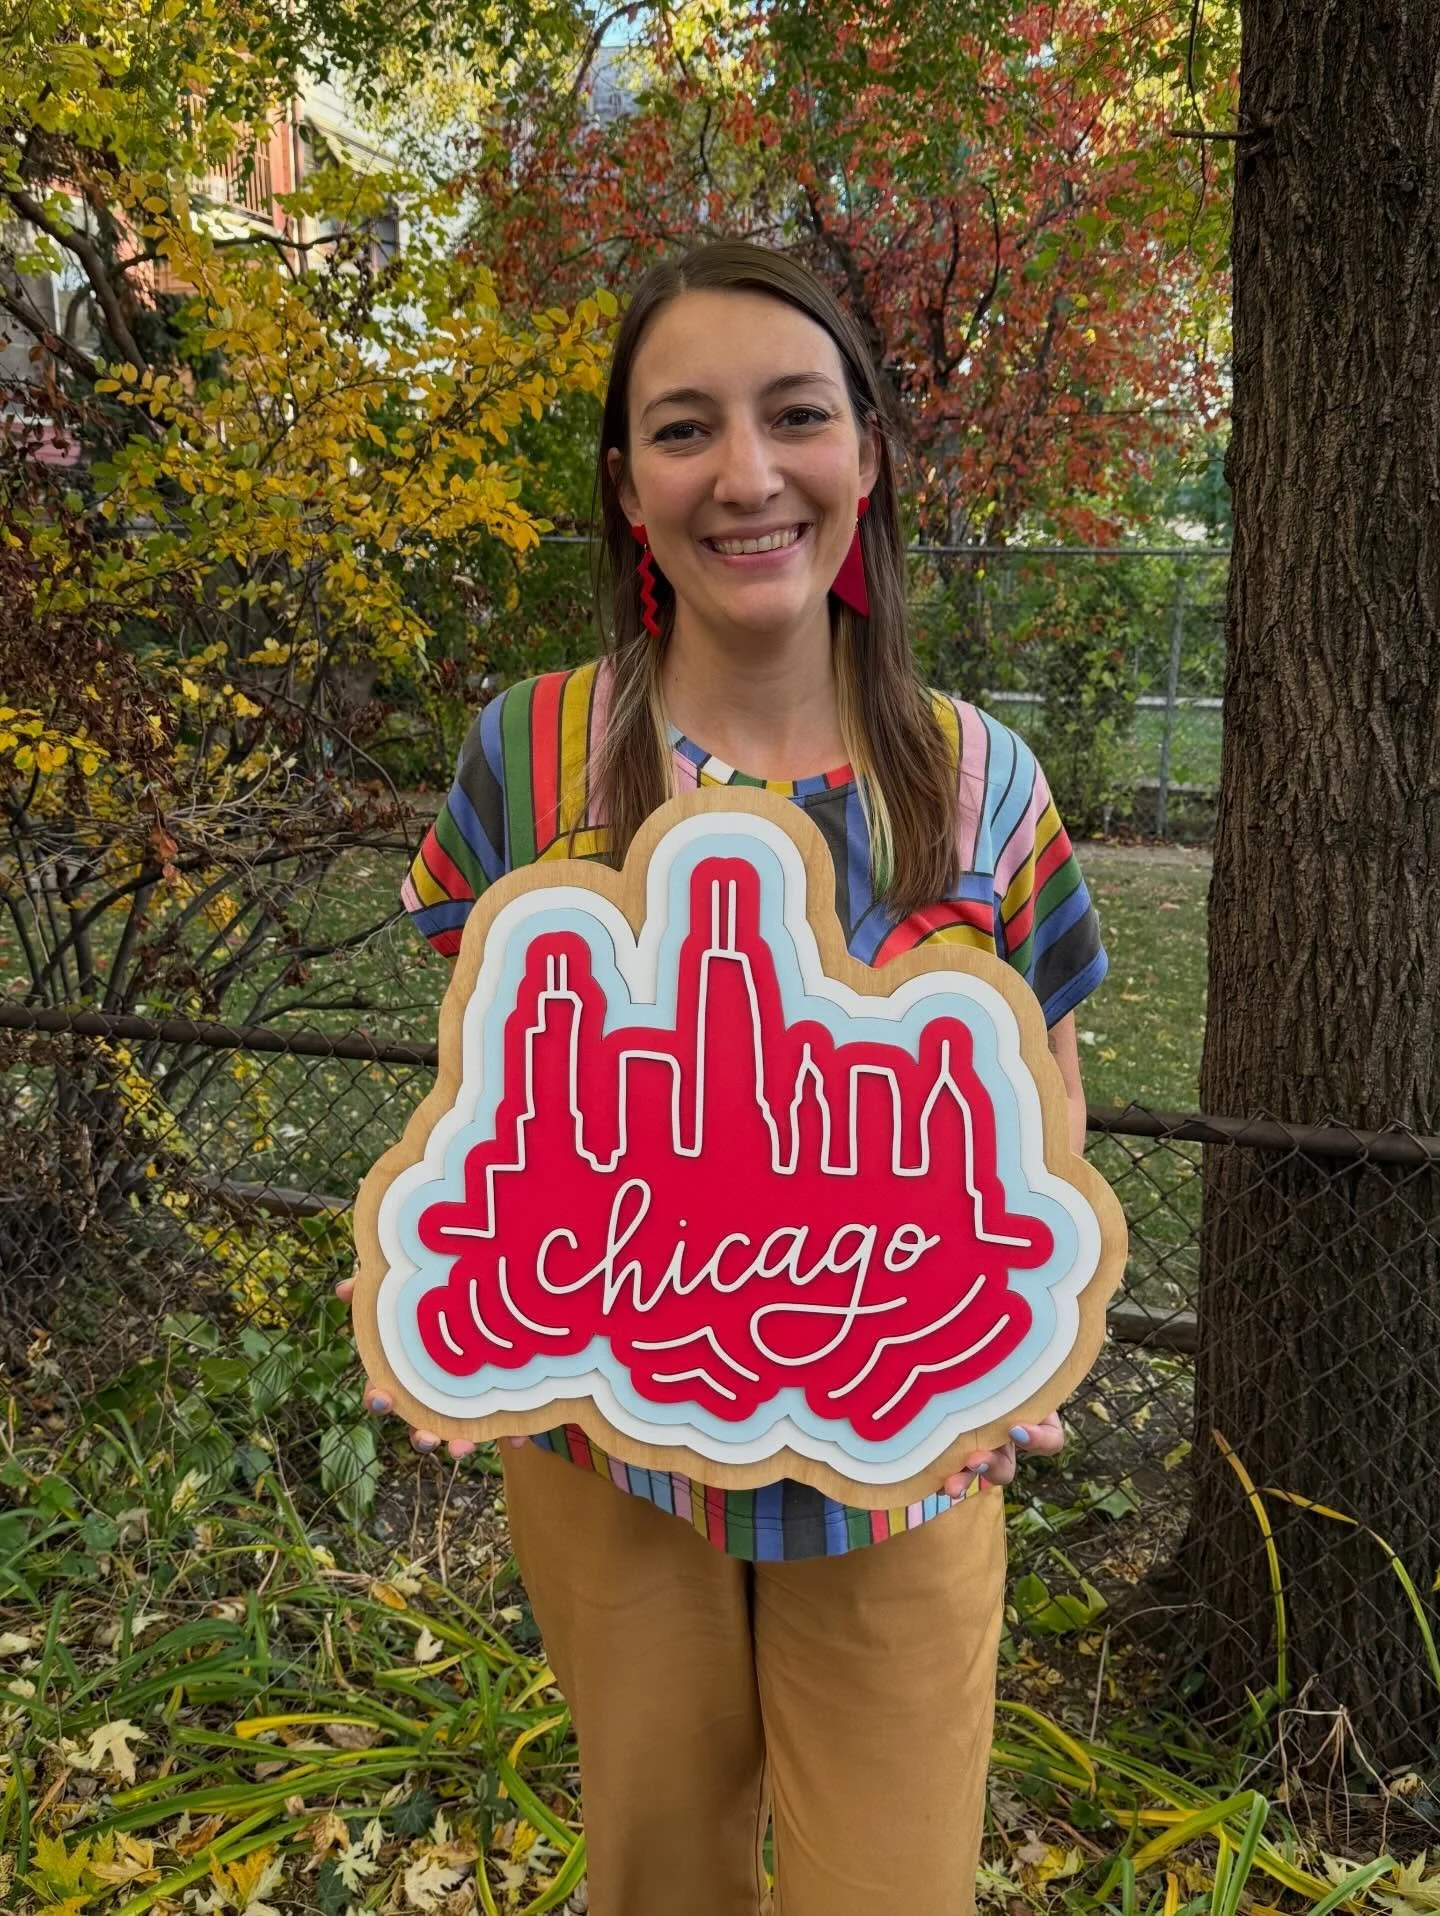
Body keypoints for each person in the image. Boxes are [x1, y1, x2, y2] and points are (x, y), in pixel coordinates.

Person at [342, 240, 1106, 1916]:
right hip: (610, 1459)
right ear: (628, 487)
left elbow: (1043, 1097)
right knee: (658, 1877)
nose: (747, 475)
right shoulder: (528, 752)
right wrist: (425, 1282)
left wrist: (1026, 1341)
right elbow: (483, 1091)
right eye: (684, 429)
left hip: (901, 1467)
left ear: (868, 456)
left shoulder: (978, 779)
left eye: (796, 416)